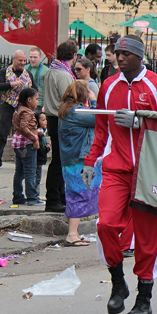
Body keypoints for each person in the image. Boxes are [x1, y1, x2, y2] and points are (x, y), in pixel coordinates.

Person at [82, 35, 157, 314]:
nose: (119, 57)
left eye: (125, 53)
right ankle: (118, 281)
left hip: (149, 171)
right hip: (115, 169)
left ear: (140, 56)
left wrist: (142, 121)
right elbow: (101, 129)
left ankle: (144, 299)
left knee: (148, 238)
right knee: (105, 225)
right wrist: (90, 161)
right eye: (117, 53)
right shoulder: (108, 86)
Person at [42, 40, 79, 213]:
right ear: (73, 55)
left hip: (52, 116)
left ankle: (59, 196)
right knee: (59, 161)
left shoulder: (52, 70)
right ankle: (53, 199)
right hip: (60, 118)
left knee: (59, 160)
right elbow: (70, 98)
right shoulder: (64, 75)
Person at [58, 81, 96, 247]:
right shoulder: (77, 111)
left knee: (72, 195)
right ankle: (72, 234)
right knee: (78, 196)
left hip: (69, 159)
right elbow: (98, 118)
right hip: (77, 160)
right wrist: (94, 101)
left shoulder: (66, 109)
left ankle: (74, 233)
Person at [0, 50, 32, 169]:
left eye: (24, 60)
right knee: (2, 133)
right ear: (13, 60)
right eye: (20, 60)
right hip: (8, 105)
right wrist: (12, 84)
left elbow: (34, 89)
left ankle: (23, 160)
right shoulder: (5, 72)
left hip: (22, 108)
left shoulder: (27, 74)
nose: (22, 63)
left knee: (24, 133)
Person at [11, 87, 41, 206]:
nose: (37, 102)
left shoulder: (19, 109)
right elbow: (24, 127)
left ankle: (18, 196)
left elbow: (21, 126)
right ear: (29, 100)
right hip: (27, 144)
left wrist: (36, 132)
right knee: (30, 171)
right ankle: (32, 197)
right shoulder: (28, 112)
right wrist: (34, 138)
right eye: (36, 99)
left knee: (19, 172)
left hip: (18, 143)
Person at [35, 113, 50, 198]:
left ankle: (35, 194)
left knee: (37, 178)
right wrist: (48, 147)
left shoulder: (42, 133)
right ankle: (35, 195)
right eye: (43, 120)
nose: (46, 122)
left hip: (40, 160)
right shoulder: (39, 134)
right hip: (38, 159)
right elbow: (41, 149)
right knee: (36, 178)